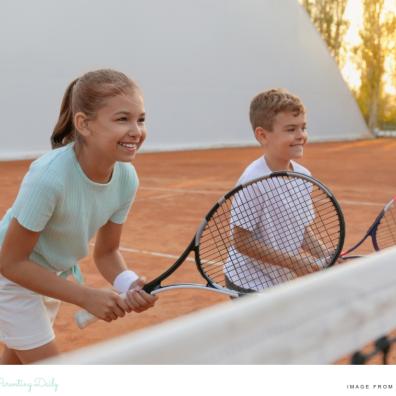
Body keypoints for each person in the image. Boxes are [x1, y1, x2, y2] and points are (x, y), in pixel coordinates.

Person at [0, 69, 158, 364]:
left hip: (48, 277)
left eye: (141, 119)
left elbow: (108, 252)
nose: (136, 130)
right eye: (122, 119)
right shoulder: (49, 177)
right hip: (10, 279)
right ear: (84, 124)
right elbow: (10, 262)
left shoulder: (126, 177)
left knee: (15, 368)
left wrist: (128, 284)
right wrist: (85, 296)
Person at [224, 88, 328, 293]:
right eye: (291, 130)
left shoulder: (303, 176)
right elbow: (241, 241)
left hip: (278, 281)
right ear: (263, 135)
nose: (301, 136)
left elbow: (301, 230)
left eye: (303, 128)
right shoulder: (253, 180)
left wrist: (325, 254)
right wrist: (294, 262)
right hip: (248, 282)